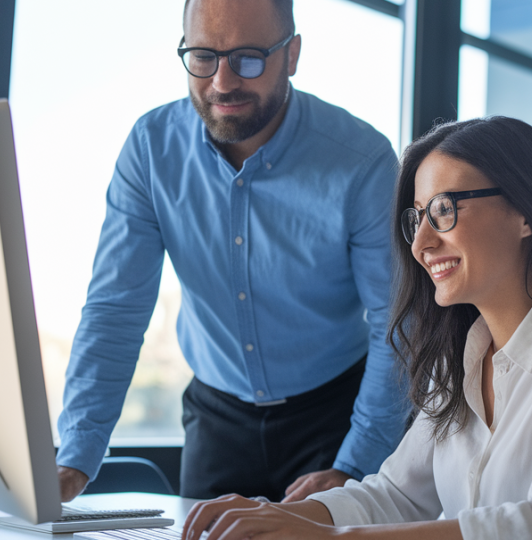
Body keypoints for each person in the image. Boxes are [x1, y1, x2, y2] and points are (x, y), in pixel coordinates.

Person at [178, 116, 532, 539]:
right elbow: (397, 494)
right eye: (416, 217)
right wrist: (273, 518)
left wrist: (332, 539)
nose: (420, 242)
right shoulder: (458, 356)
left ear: (527, 212)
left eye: (443, 210)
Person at [54, 0, 408, 503]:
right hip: (217, 417)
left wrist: (357, 463)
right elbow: (116, 310)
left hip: (336, 415)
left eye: (247, 58)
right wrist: (75, 457)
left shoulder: (362, 161)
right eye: (202, 56)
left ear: (292, 55)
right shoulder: (151, 150)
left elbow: (398, 322)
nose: (222, 82)